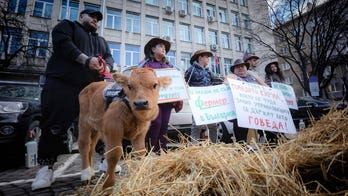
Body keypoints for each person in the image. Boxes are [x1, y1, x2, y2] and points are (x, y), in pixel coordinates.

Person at [31, 9, 114, 190]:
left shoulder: (101, 40)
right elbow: (64, 44)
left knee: (99, 125)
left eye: (97, 19)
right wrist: (86, 60)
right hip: (63, 84)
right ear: (80, 16)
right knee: (54, 125)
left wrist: (106, 66)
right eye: (91, 16)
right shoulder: (67, 26)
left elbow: (109, 57)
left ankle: (105, 160)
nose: (95, 20)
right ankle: (46, 168)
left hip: (92, 89)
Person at [141, 37, 183, 154]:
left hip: (167, 101)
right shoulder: (146, 65)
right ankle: (151, 151)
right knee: (155, 124)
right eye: (160, 46)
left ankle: (162, 151)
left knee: (164, 125)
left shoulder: (170, 66)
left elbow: (176, 84)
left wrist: (178, 99)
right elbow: (141, 82)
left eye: (165, 48)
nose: (163, 49)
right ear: (153, 49)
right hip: (153, 101)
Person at [185, 49, 223, 144]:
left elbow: (217, 80)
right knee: (196, 124)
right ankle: (194, 147)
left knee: (213, 124)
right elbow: (185, 82)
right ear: (200, 57)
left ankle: (214, 145)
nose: (208, 59)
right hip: (198, 101)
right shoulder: (191, 70)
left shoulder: (208, 71)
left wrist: (227, 81)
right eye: (206, 57)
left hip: (209, 101)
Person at [224, 59, 267, 143]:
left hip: (256, 110)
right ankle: (242, 148)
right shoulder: (233, 77)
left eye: (242, 66)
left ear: (246, 68)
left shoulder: (253, 78)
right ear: (234, 70)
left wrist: (257, 78)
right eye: (237, 67)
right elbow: (225, 84)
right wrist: (229, 79)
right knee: (241, 134)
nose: (240, 68)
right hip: (241, 112)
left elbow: (267, 89)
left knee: (265, 130)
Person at [264, 61, 285, 143]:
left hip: (281, 100)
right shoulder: (269, 76)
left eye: (275, 66)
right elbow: (267, 85)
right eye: (272, 67)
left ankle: (281, 136)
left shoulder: (280, 75)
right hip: (274, 99)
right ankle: (274, 138)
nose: (274, 68)